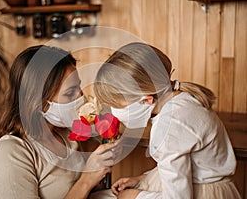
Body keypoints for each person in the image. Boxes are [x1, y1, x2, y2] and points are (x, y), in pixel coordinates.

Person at [93, 42, 241, 199]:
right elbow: (190, 165)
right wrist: (142, 179)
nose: (115, 111)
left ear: (146, 100)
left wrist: (134, 196)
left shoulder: (168, 128)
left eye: (117, 105)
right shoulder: (183, 99)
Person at [0, 45, 118, 199]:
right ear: (37, 101)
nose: (80, 97)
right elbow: (82, 186)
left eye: (79, 87)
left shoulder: (66, 135)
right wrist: (86, 181)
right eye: (70, 93)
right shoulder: (10, 152)